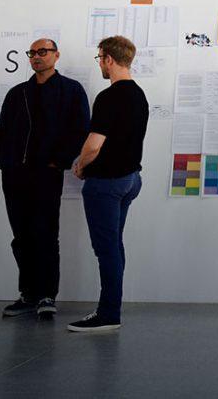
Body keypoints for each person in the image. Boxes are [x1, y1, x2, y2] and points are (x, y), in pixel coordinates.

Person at [0, 38, 90, 319]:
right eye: (32, 53)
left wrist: (57, 161)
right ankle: (28, 294)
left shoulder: (71, 90)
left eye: (43, 52)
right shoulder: (17, 93)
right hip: (14, 174)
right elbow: (0, 131)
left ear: (56, 55)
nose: (37, 57)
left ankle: (47, 295)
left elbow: (80, 129)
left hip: (46, 174)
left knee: (46, 235)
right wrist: (5, 161)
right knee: (21, 237)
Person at [67, 36, 148, 333]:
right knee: (114, 245)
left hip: (107, 182)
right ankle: (111, 308)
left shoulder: (109, 96)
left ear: (109, 59)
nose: (100, 63)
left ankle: (108, 313)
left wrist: (81, 164)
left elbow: (93, 145)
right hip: (130, 180)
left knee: (107, 249)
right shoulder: (139, 94)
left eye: (100, 57)